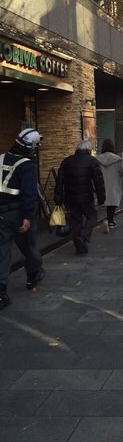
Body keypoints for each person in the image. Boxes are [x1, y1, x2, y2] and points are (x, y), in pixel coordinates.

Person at [0, 128, 45, 309]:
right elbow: (29, 193)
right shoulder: (28, 165)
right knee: (29, 246)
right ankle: (32, 275)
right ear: (31, 147)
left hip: (1, 213)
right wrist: (27, 217)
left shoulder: (1, 158)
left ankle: (1, 292)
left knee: (2, 252)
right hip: (18, 214)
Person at [54, 140, 105, 254]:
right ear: (88, 150)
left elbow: (59, 182)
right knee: (92, 216)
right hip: (86, 197)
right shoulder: (92, 161)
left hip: (70, 198)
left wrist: (58, 197)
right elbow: (98, 182)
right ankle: (83, 237)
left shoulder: (66, 162)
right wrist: (101, 197)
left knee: (76, 221)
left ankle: (79, 246)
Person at [96, 139, 123, 230]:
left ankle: (108, 220)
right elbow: (121, 171)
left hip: (102, 183)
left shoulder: (97, 159)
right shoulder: (118, 159)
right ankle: (110, 220)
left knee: (104, 201)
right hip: (114, 183)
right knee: (113, 202)